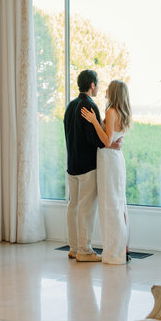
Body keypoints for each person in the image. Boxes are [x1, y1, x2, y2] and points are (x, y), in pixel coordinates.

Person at [63, 70, 121, 263]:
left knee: (73, 206)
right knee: (86, 209)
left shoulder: (70, 106)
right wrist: (109, 143)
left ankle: (73, 248)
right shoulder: (90, 107)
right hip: (87, 166)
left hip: (71, 164)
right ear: (92, 86)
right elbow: (94, 138)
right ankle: (84, 250)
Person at [81, 79, 131, 265]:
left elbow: (107, 141)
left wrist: (94, 122)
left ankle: (114, 252)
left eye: (109, 88)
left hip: (109, 161)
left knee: (110, 206)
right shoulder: (121, 112)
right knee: (118, 205)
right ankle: (121, 248)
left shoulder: (111, 112)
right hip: (116, 160)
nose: (105, 90)